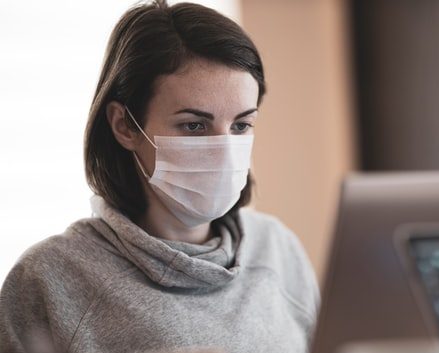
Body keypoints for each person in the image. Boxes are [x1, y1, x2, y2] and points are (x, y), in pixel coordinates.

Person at [0, 1, 319, 353]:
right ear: (124, 125)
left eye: (241, 125)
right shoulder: (50, 278)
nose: (224, 151)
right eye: (194, 126)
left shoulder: (277, 249)